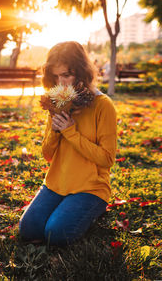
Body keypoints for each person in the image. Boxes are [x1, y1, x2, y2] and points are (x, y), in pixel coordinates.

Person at [19, 41, 117, 246]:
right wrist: (55, 132)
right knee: (28, 229)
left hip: (90, 188)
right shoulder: (58, 101)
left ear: (81, 73)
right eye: (55, 76)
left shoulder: (103, 105)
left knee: (56, 234)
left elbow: (107, 159)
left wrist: (70, 132)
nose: (60, 83)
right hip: (56, 183)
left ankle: (92, 210)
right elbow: (47, 154)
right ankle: (66, 208)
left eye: (66, 75)